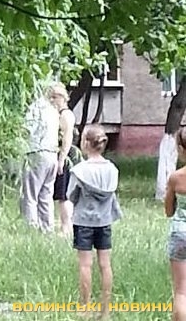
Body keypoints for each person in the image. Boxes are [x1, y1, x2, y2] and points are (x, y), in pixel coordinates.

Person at [67, 124, 122, 318]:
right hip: (104, 221)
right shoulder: (112, 170)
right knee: (105, 265)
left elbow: (71, 195)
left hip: (83, 221)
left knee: (85, 265)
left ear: (86, 143)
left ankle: (85, 308)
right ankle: (105, 310)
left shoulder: (79, 170)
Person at [20, 91, 60, 232]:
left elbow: (26, 130)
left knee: (30, 194)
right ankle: (47, 228)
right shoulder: (52, 110)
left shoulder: (34, 109)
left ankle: (31, 228)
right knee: (46, 194)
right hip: (52, 154)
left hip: (37, 152)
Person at [49, 82, 77, 237]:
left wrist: (62, 159)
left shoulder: (66, 115)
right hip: (60, 155)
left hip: (64, 157)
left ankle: (66, 226)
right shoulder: (58, 114)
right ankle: (63, 224)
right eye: (51, 97)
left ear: (63, 98)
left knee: (63, 194)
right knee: (60, 194)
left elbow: (67, 138)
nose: (52, 100)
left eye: (55, 97)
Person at [165, 127, 186, 321]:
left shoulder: (175, 177)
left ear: (181, 149)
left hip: (180, 234)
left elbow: (169, 211)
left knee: (181, 291)